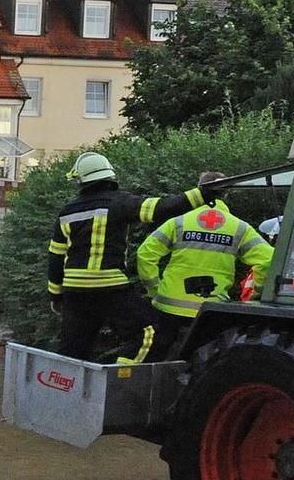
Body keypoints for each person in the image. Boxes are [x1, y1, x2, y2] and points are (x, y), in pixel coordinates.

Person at [47, 152, 208, 363]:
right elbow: (161, 208)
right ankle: (121, 379)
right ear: (109, 176)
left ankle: (67, 392)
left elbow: (56, 257)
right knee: (148, 332)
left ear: (81, 180)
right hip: (110, 289)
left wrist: (56, 295)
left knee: (72, 351)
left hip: (75, 294)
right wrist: (202, 195)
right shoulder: (119, 202)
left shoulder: (67, 211)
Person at [135, 173, 272, 360]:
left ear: (199, 190)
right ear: (226, 195)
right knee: (201, 370)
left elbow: (145, 254)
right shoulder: (239, 228)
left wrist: (154, 290)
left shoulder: (179, 222)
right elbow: (268, 260)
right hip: (210, 313)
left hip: (168, 309)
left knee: (157, 364)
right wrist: (256, 293)